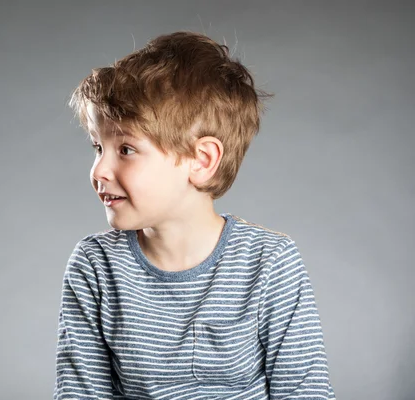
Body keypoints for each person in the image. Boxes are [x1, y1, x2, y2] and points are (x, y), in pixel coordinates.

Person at [54, 31, 335, 399]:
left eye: (125, 148)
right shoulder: (95, 265)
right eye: (97, 146)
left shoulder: (270, 262)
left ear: (202, 161)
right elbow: (79, 394)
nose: (99, 170)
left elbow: (306, 393)